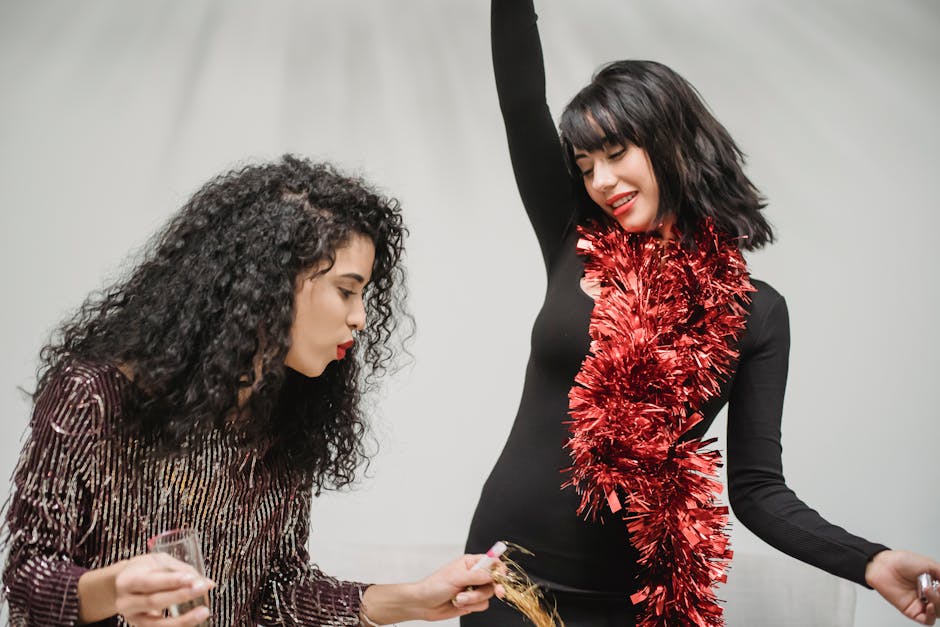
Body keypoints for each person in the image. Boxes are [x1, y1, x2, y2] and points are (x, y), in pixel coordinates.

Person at [463, 1, 940, 626]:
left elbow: (758, 491)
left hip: (633, 596)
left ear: (669, 141)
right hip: (509, 576)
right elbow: (521, 99)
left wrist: (870, 561)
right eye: (585, 166)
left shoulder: (756, 313)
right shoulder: (572, 238)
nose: (602, 181)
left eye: (616, 152)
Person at [1, 155, 498, 626]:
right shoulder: (96, 394)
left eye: (363, 294)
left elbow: (277, 592)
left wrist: (411, 599)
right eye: (346, 290)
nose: (361, 318)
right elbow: (25, 577)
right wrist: (115, 589)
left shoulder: (283, 416)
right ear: (270, 284)